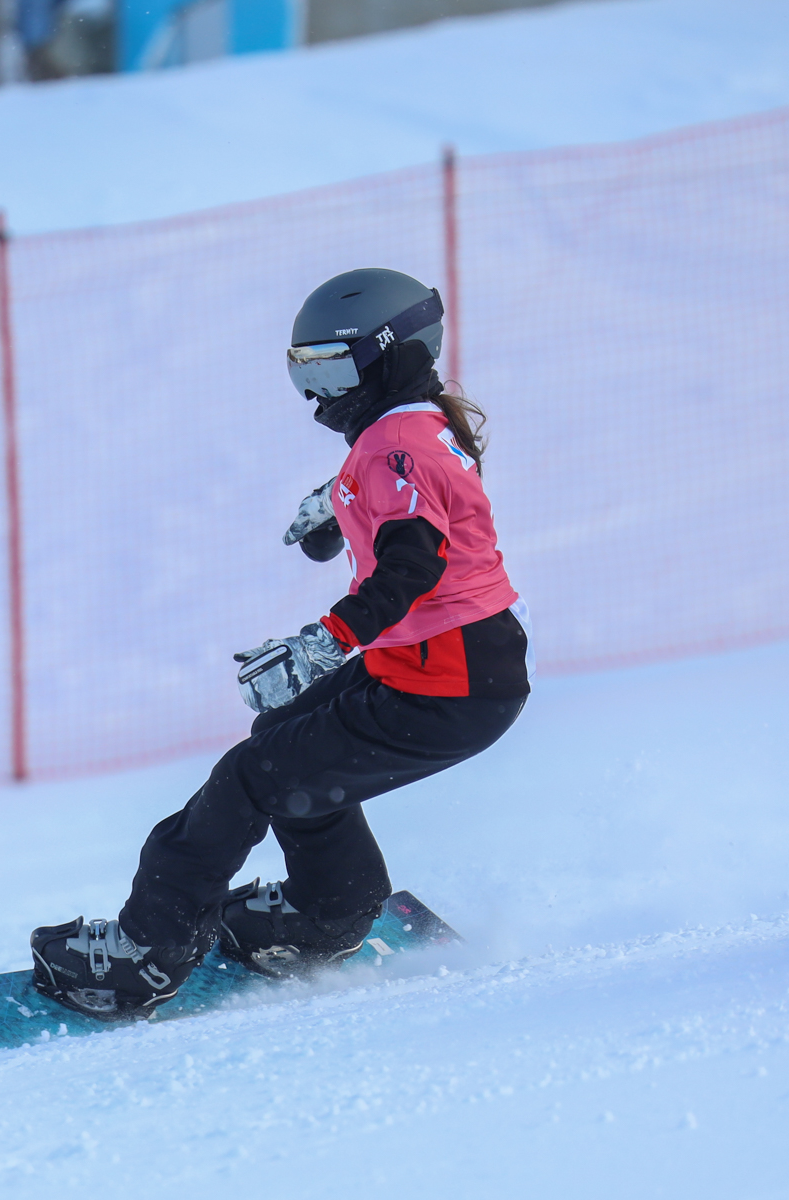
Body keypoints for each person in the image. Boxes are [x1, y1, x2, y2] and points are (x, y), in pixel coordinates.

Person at [30, 268, 533, 1020]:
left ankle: (147, 953)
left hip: (445, 685)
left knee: (248, 776)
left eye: (332, 368)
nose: (317, 394)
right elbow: (424, 506)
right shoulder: (419, 424)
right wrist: (341, 501)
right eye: (306, 371)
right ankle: (329, 912)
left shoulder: (395, 445)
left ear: (387, 357)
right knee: (281, 741)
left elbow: (413, 563)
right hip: (447, 669)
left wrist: (322, 644)